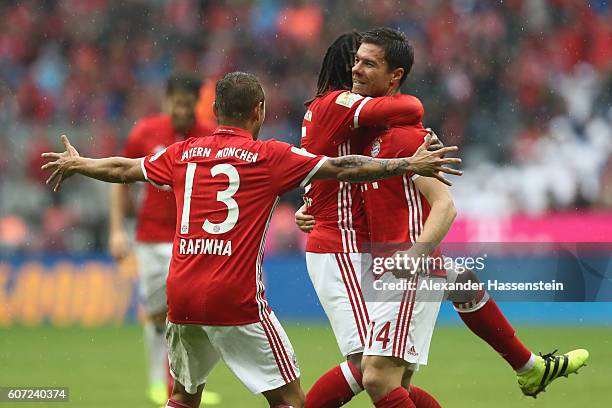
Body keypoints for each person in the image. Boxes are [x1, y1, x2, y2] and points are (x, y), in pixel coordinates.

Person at [41, 71, 462, 408]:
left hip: (182, 295)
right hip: (235, 299)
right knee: (292, 401)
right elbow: (344, 167)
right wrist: (408, 162)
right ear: (258, 112)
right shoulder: (270, 156)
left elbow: (123, 169)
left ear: (216, 110)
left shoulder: (183, 152)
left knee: (184, 397)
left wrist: (80, 163)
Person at [296, 29, 588, 407]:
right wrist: (316, 207)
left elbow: (445, 204)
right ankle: (529, 366)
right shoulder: (363, 129)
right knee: (382, 373)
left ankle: (528, 365)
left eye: (368, 63)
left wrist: (415, 254)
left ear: (394, 75)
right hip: (375, 261)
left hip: (391, 264)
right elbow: (345, 170)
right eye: (356, 61)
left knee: (379, 372)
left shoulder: (395, 135)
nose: (358, 70)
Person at [108, 74, 221, 406]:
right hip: (153, 237)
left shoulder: (210, 135)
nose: (183, 111)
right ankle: (157, 383)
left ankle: (187, 383)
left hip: (195, 240)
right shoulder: (146, 132)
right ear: (167, 100)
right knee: (159, 315)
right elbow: (120, 179)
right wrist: (117, 229)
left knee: (192, 315)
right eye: (178, 103)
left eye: (189, 104)